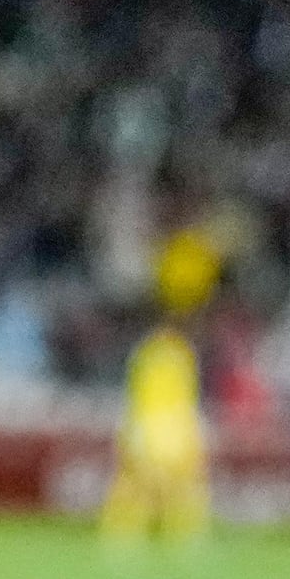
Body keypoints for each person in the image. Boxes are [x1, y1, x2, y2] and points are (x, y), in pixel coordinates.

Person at [97, 228, 220, 551]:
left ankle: (127, 538)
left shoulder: (154, 351)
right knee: (167, 488)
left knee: (145, 487)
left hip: (156, 429)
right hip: (169, 429)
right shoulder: (175, 353)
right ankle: (171, 538)